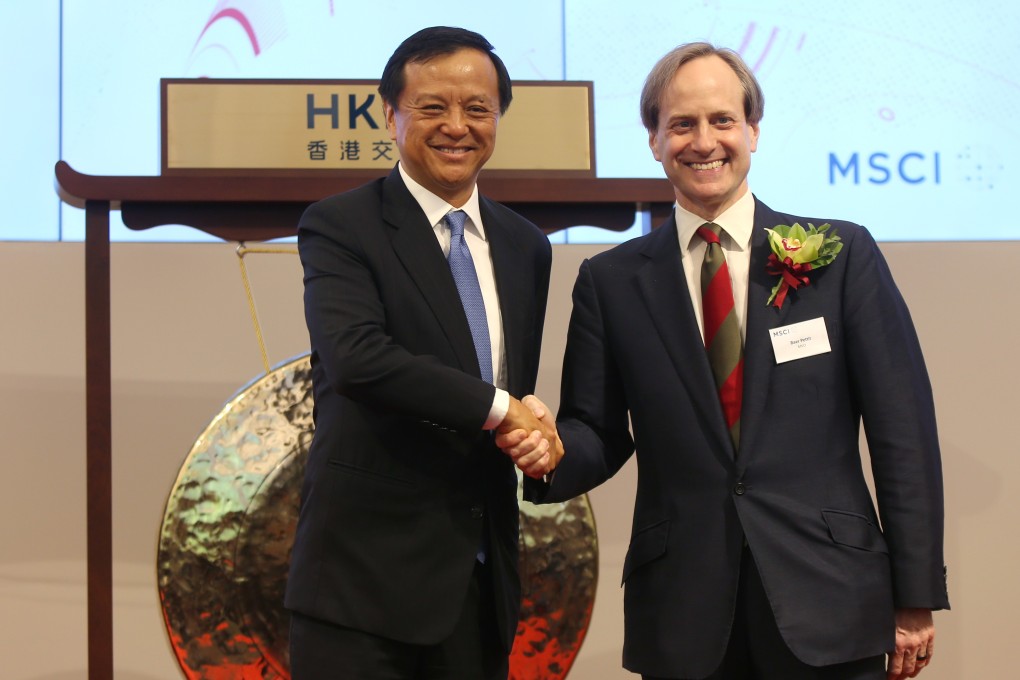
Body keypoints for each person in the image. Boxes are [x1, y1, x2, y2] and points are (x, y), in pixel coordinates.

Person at [502, 42, 948, 680]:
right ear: (654, 139)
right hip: (683, 608)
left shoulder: (840, 255)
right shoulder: (611, 280)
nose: (703, 141)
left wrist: (914, 593)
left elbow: (902, 432)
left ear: (753, 132)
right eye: (681, 123)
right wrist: (549, 450)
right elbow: (597, 430)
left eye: (722, 121)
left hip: (829, 599)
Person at [285, 26, 557, 680]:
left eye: (477, 109)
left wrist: (535, 427)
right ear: (390, 114)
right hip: (361, 590)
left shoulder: (526, 248)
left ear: (498, 118)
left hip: (479, 587)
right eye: (432, 107)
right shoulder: (341, 225)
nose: (456, 126)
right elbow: (357, 358)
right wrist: (504, 408)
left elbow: (502, 388)